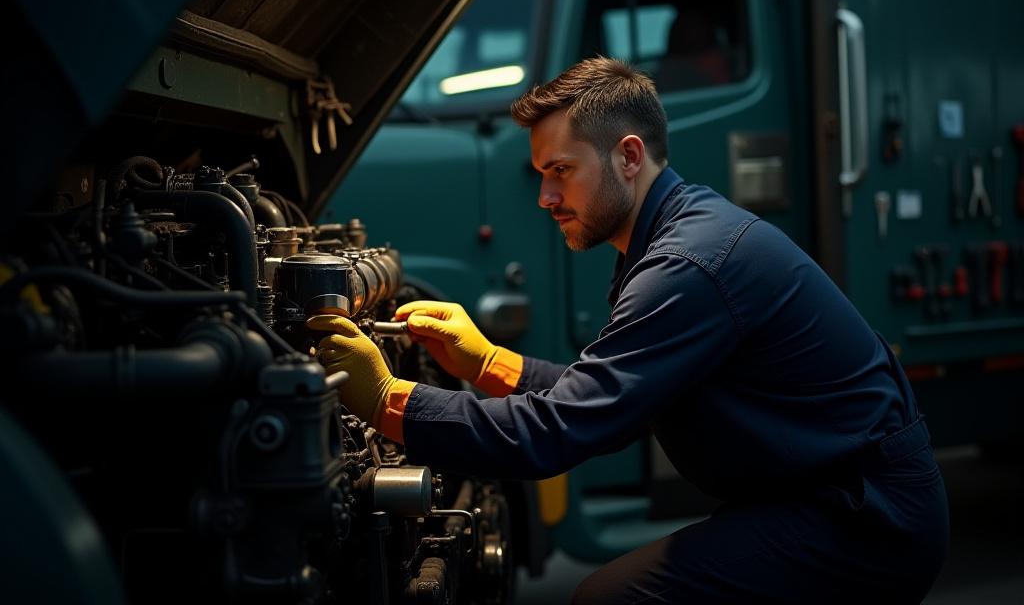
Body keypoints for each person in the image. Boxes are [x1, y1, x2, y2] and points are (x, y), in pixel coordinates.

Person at [309, 57, 949, 603]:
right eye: (541, 175)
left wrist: (389, 400)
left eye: (560, 171)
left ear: (629, 156)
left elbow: (559, 432)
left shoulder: (687, 265)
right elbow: (616, 397)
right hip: (830, 496)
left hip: (865, 519)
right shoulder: (671, 235)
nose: (545, 198)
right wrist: (487, 362)